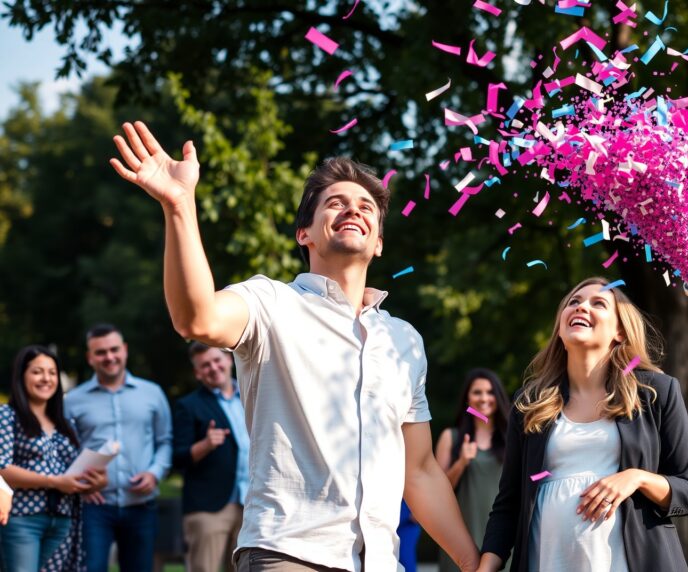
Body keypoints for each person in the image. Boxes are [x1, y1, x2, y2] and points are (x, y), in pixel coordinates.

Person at [108, 121, 479, 571]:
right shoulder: (271, 303)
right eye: (335, 202)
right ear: (305, 233)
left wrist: (473, 563)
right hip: (288, 554)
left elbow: (419, 471)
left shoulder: (404, 340)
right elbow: (196, 318)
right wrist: (179, 206)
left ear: (379, 243)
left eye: (366, 206)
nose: (353, 209)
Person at [479, 277, 688, 572]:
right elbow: (508, 504)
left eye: (598, 303)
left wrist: (636, 478)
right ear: (560, 328)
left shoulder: (656, 392)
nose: (581, 307)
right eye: (573, 302)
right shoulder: (530, 403)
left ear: (620, 331)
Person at [64, 325, 173, 572]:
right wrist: (80, 485)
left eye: (114, 349)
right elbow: (65, 450)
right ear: (90, 357)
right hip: (93, 507)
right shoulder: (73, 400)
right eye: (100, 352)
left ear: (124, 350)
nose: (109, 357)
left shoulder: (152, 393)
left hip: (141, 505)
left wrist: (155, 473)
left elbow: (165, 440)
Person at [0, 345, 108, 571]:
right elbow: (3, 468)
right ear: (21, 376)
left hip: (63, 519)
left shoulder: (65, 424)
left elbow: (73, 471)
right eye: (37, 371)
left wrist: (95, 482)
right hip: (23, 518)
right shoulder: (7, 416)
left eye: (52, 372)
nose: (46, 379)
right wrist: (54, 482)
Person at [172, 342, 250, 572]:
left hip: (251, 503)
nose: (213, 368)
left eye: (217, 360)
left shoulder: (251, 395)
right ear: (198, 373)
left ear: (229, 360)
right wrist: (205, 445)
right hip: (208, 508)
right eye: (205, 365)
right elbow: (177, 458)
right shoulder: (188, 406)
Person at [434, 369, 511, 572]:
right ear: (467, 398)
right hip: (460, 540)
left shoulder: (513, 439)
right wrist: (461, 463)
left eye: (490, 392)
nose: (484, 398)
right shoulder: (451, 437)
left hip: (502, 539)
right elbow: (436, 493)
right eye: (477, 392)